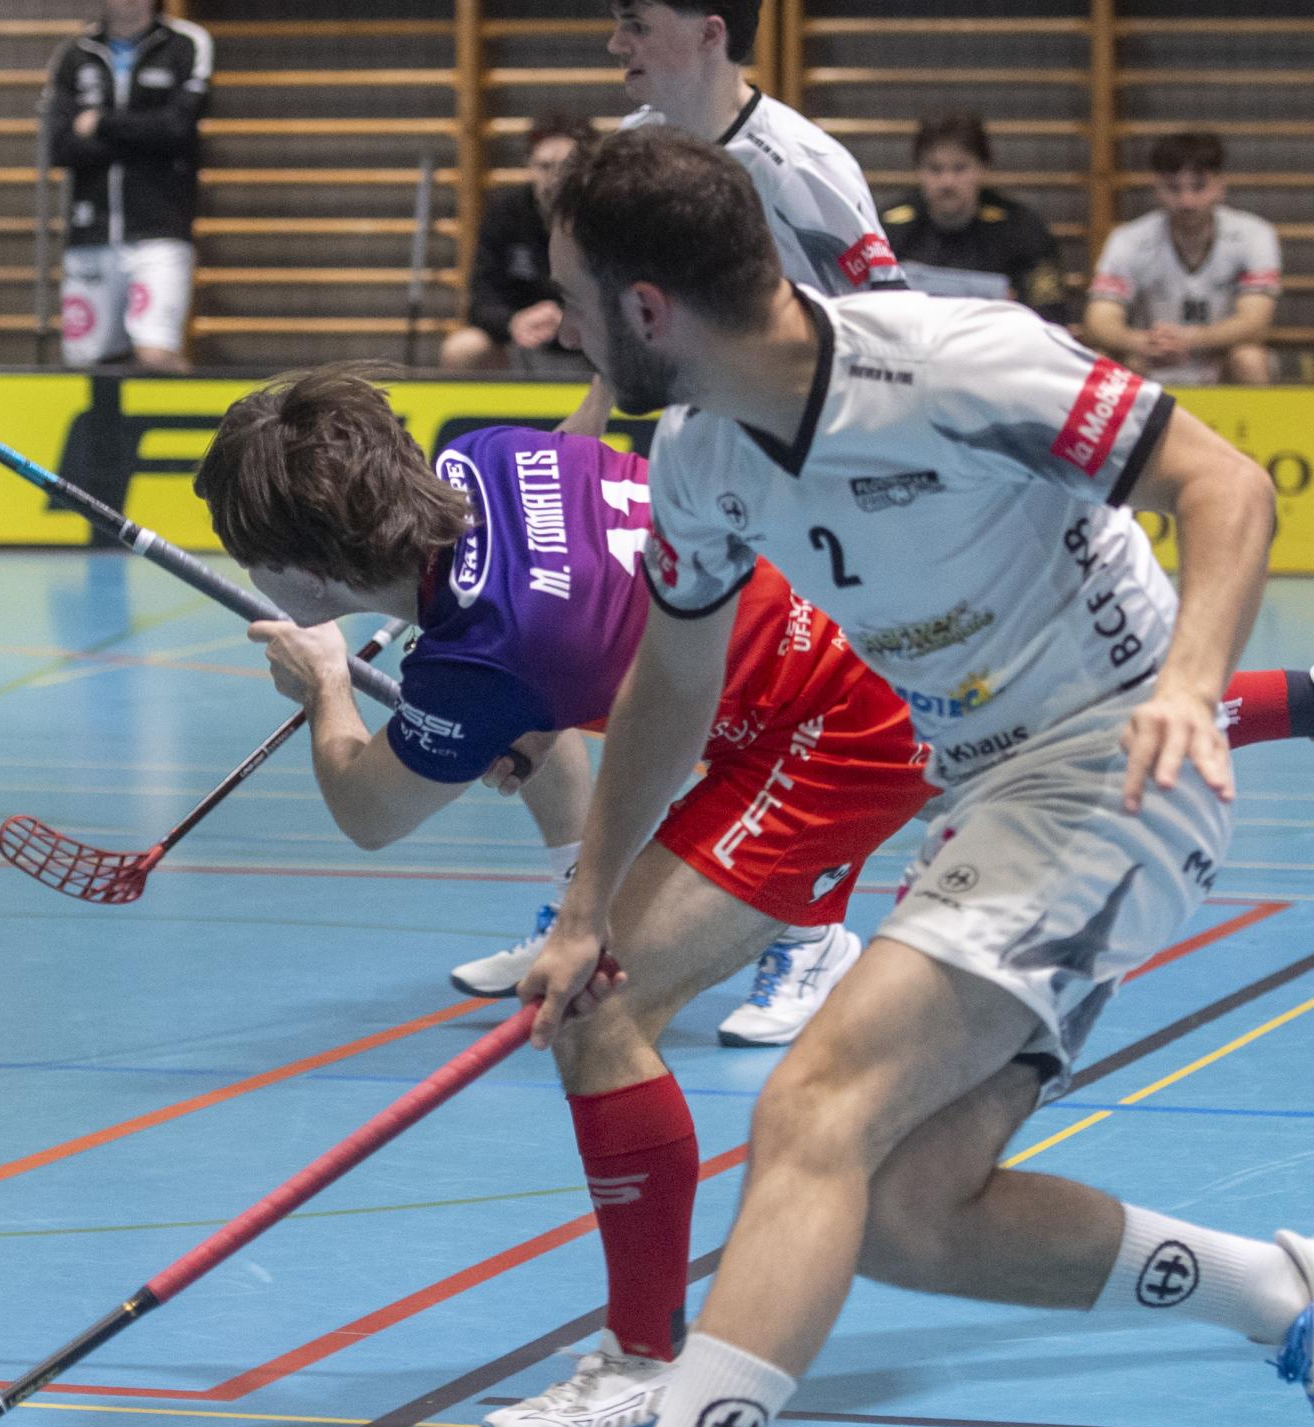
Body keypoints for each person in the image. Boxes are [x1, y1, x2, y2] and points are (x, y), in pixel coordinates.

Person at [384, 125, 1304, 1427]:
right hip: (988, 790)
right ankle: (1276, 1294)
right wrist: (586, 903)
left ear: (650, 307)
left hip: (1114, 764)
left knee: (814, 1108)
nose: (567, 328)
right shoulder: (704, 457)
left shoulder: (954, 362)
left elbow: (1221, 483)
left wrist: (1197, 682)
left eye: (577, 300)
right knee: (903, 1212)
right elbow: (672, 681)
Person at [202, 367, 1311, 1427]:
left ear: (305, 572)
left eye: (250, 557)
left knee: (600, 1013)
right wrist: (529, 712)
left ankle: (643, 1357)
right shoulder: (490, 455)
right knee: (1067, 738)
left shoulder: (475, 657)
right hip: (844, 622)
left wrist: (325, 686)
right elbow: (586, 604)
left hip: (822, 729)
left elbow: (369, 811)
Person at [470, 0, 904, 1046]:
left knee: (815, 712)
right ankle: (593, 910)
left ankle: (809, 932)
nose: (613, 42)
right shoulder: (637, 145)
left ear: (710, 30)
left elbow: (892, 324)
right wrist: (587, 427)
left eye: (635, 21)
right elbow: (614, 315)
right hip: (706, 463)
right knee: (688, 695)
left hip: (818, 473)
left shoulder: (804, 170)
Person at [45, 0, 213, 373]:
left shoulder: (186, 44)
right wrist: (142, 136)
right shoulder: (75, 54)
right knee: (84, 361)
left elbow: (177, 129)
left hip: (159, 231)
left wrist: (101, 123)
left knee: (155, 354)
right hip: (90, 232)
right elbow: (61, 147)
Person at [1087, 131, 1282, 388]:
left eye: (1199, 187)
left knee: (1249, 360)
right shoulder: (1128, 239)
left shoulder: (1254, 235)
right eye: (1173, 188)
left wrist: (1188, 339)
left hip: (1218, 360)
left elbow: (1255, 323)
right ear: (1157, 187)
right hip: (1151, 360)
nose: (1186, 201)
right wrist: (1142, 342)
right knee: (1103, 360)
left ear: (1220, 186)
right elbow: (1099, 320)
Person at [440, 116, 595, 377]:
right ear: (529, 166)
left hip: (592, 342)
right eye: (545, 166)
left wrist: (573, 320)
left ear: (587, 170)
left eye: (567, 167)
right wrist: (513, 322)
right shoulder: (506, 214)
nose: (555, 178)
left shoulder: (606, 215)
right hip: (524, 339)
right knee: (463, 348)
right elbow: (480, 300)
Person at [882, 112, 1069, 322]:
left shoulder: (1022, 229)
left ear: (983, 168)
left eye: (960, 168)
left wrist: (1018, 309)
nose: (947, 182)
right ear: (918, 170)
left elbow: (1051, 314)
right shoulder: (887, 230)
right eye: (935, 169)